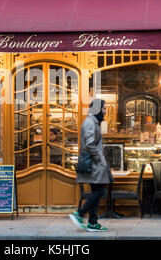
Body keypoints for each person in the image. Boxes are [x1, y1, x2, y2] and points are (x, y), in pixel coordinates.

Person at [69, 99, 112, 232]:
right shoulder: (90, 122)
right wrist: (99, 160)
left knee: (97, 191)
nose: (105, 111)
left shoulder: (93, 122)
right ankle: (80, 214)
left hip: (96, 164)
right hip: (94, 164)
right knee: (100, 191)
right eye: (104, 109)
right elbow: (89, 144)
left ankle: (93, 222)